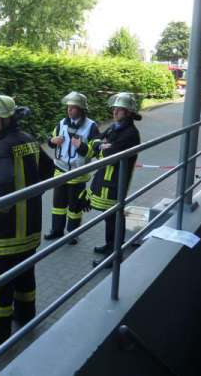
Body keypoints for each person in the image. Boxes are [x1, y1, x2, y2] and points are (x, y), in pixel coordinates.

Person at [0, 91, 50, 343]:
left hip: (6, 234)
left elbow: (3, 187)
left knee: (0, 283)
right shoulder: (28, 139)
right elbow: (49, 170)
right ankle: (25, 314)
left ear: (6, 119)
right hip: (31, 228)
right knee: (25, 274)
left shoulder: (4, 147)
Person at [85, 92, 141, 268]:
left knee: (116, 217)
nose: (115, 112)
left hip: (117, 182)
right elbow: (95, 141)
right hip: (106, 178)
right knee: (109, 217)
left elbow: (109, 155)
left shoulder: (130, 134)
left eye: (119, 109)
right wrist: (100, 145)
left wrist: (101, 148)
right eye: (114, 109)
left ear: (129, 112)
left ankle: (114, 256)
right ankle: (110, 246)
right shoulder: (114, 127)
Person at [44, 91, 99, 244]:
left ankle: (72, 234)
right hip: (60, 171)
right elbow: (51, 141)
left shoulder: (91, 126)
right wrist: (52, 141)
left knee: (75, 208)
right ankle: (56, 230)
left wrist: (81, 146)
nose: (69, 110)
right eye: (68, 107)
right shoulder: (61, 123)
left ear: (81, 109)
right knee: (58, 205)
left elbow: (95, 151)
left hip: (78, 174)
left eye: (73, 107)